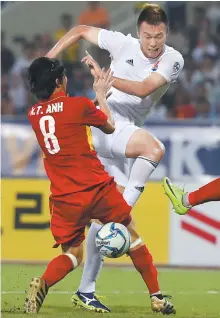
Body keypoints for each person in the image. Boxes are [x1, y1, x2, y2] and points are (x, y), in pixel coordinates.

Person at [46, 3, 184, 311]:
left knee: (106, 218)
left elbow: (144, 88)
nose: (153, 43)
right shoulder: (123, 43)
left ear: (166, 34)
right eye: (148, 36)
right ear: (138, 33)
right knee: (154, 149)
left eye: (159, 36)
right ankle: (120, 212)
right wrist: (48, 58)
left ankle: (86, 290)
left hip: (120, 133)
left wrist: (107, 79)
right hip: (105, 124)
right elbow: (80, 30)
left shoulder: (173, 59)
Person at [24, 57, 176, 315]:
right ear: (60, 82)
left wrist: (89, 104)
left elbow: (65, 117)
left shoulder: (33, 114)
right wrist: (100, 95)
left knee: (73, 255)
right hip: (95, 189)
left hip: (63, 198)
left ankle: (44, 282)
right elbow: (108, 125)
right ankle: (156, 297)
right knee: (133, 237)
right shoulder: (78, 105)